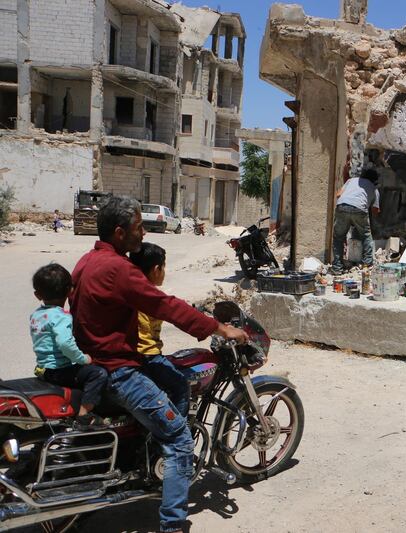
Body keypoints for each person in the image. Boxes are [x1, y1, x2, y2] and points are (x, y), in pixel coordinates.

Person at [70, 196, 247, 533]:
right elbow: (163, 304)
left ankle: (150, 459)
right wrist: (218, 326)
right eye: (138, 229)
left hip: (94, 364)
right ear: (120, 233)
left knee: (175, 384)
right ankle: (173, 524)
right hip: (119, 372)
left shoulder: (86, 261)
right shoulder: (119, 269)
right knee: (180, 439)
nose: (143, 234)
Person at [30, 263, 108, 429]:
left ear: (37, 295)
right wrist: (82, 358)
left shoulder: (36, 315)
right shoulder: (61, 317)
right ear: (70, 290)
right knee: (98, 374)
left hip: (43, 369)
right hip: (60, 370)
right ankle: (84, 415)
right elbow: (65, 343)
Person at [130, 242, 189, 418]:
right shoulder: (151, 296)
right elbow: (176, 312)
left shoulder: (129, 289)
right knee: (181, 386)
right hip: (148, 355)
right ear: (156, 269)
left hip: (132, 354)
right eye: (164, 267)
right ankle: (179, 431)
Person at [332, 168, 380, 275]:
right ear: (375, 181)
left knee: (338, 237)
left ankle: (337, 268)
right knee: (366, 235)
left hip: (342, 206)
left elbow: (338, 195)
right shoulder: (374, 189)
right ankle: (367, 265)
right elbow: (375, 211)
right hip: (360, 209)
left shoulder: (351, 180)